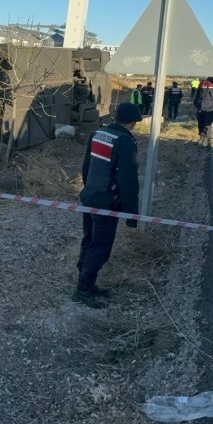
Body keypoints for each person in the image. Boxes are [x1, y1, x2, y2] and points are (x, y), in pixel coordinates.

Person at [75, 102, 143, 308]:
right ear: (132, 122)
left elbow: (86, 166)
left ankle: (86, 282)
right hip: (106, 202)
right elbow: (128, 180)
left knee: (89, 240)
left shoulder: (98, 134)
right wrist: (132, 215)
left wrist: (89, 191)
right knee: (101, 246)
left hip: (91, 196)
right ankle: (83, 291)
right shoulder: (125, 142)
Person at [195, 77, 213, 146]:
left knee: (207, 124)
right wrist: (196, 103)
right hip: (201, 106)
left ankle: (207, 140)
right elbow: (198, 93)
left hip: (212, 108)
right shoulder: (203, 82)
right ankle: (201, 137)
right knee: (200, 122)